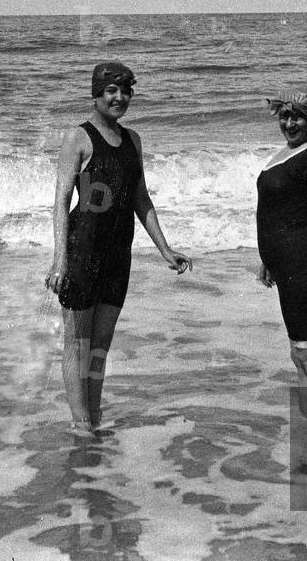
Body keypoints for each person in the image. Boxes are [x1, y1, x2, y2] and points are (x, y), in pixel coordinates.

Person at [45, 61, 192, 433]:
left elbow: (141, 199)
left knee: (100, 347)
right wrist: (60, 260)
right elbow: (61, 201)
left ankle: (93, 419)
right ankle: (80, 426)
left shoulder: (133, 141)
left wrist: (164, 248)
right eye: (111, 90)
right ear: (96, 94)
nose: (119, 97)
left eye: (125, 90)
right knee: (77, 344)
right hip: (82, 251)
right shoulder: (78, 138)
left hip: (117, 256)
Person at [255, 89, 307, 426]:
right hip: (289, 266)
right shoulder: (287, 153)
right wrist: (267, 260)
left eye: (297, 117)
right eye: (284, 116)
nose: (289, 123)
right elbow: (275, 210)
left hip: (305, 266)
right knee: (299, 352)